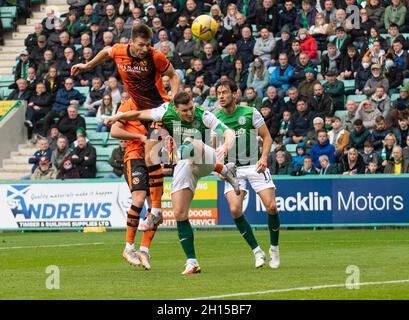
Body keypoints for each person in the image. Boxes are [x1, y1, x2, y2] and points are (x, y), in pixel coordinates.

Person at [105, 91, 240, 274]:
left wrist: (225, 146)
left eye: (191, 108)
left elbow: (228, 132)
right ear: (176, 109)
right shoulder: (164, 111)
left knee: (191, 143)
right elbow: (137, 115)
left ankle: (222, 167)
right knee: (179, 213)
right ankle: (192, 262)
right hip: (184, 163)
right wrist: (116, 117)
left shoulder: (203, 114)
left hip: (203, 156)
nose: (190, 113)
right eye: (185, 110)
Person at [72, 24, 180, 229]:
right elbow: (106, 52)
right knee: (156, 163)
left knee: (151, 158)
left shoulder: (155, 56)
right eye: (141, 45)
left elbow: (173, 76)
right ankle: (158, 209)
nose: (144, 49)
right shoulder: (120, 50)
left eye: (148, 45)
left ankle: (156, 210)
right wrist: (87, 66)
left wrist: (173, 95)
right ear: (131, 42)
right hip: (140, 112)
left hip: (158, 109)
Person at [213, 79, 280, 269]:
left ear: (235, 94)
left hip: (254, 165)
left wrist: (264, 157)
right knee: (235, 210)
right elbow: (214, 146)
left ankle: (274, 248)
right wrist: (218, 167)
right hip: (233, 169)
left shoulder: (250, 113)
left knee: (272, 207)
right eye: (219, 92)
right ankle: (257, 252)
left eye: (225, 92)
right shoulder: (215, 118)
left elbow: (267, 137)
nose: (221, 96)